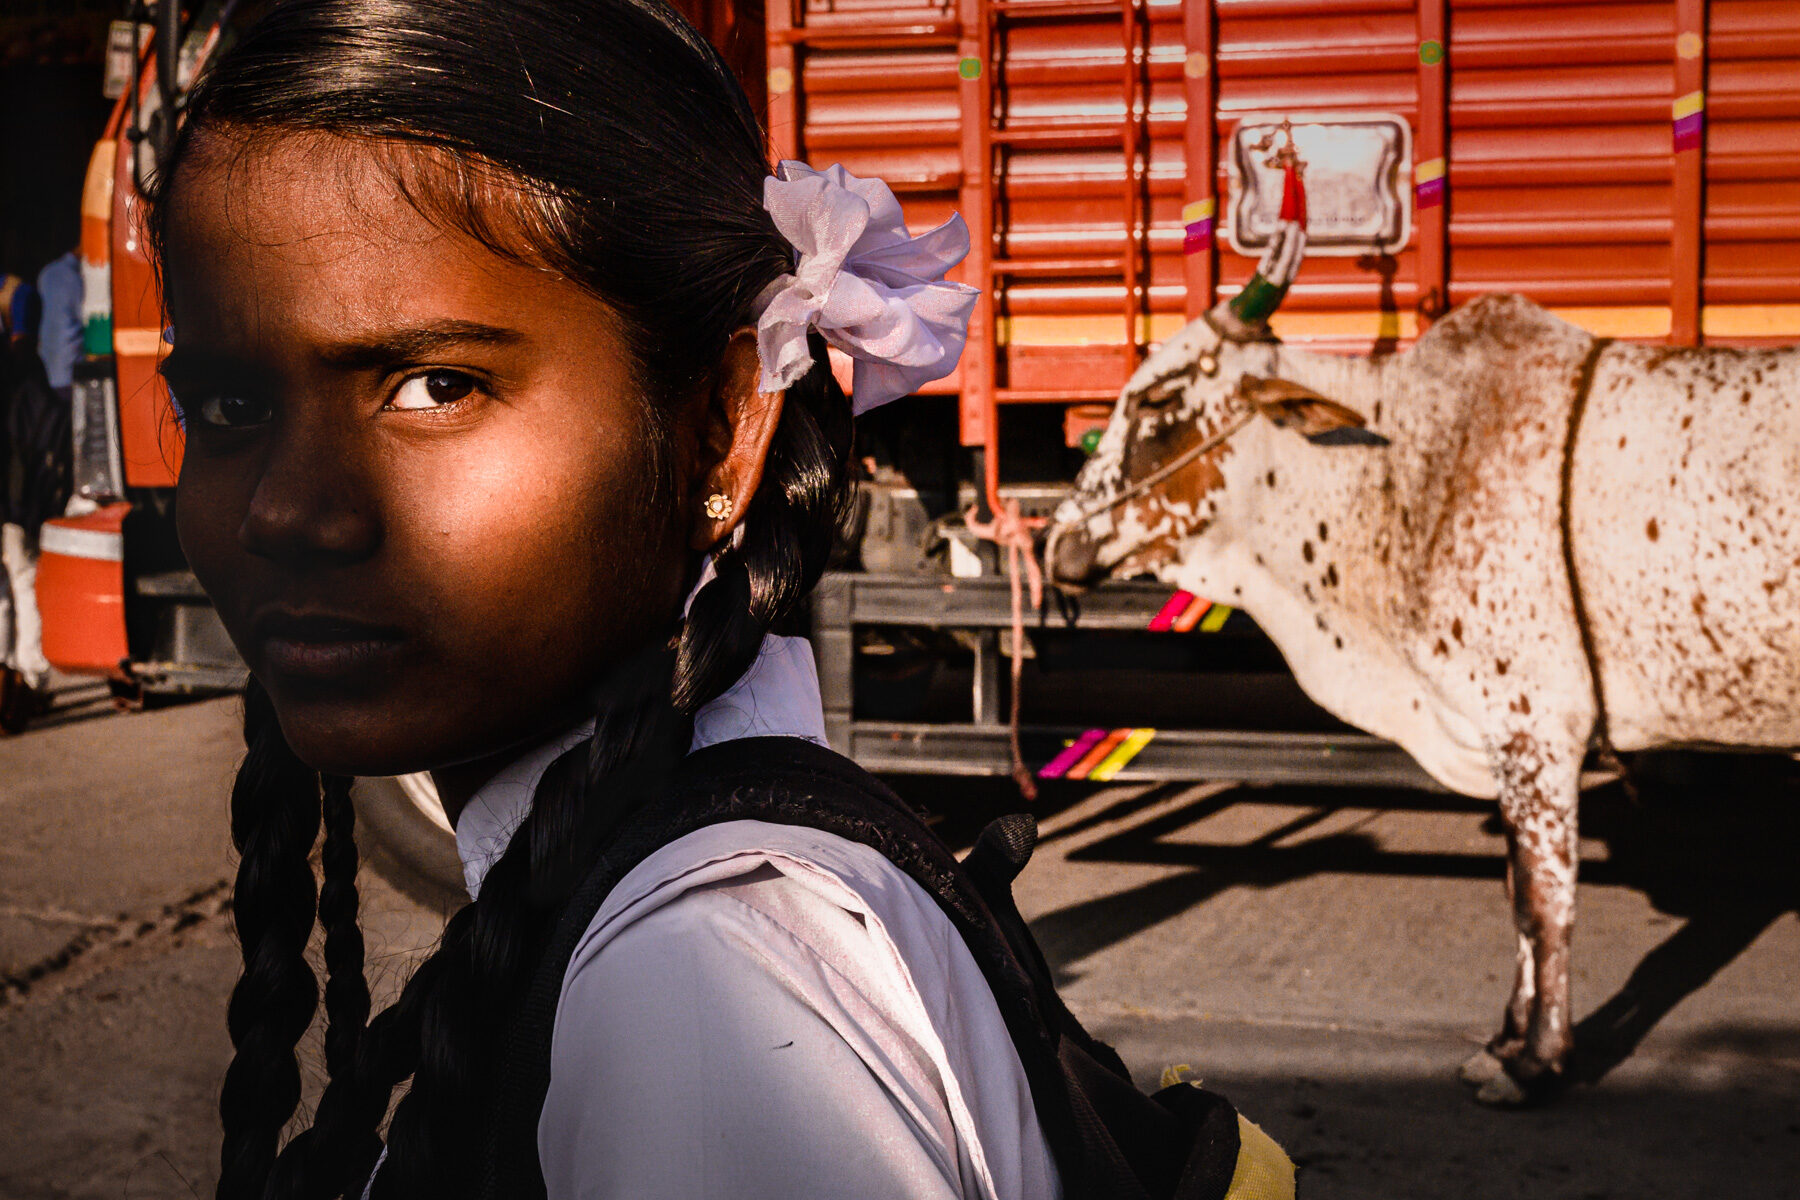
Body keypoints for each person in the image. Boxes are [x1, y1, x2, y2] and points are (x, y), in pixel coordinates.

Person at [151, 3, 1294, 1199]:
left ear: (721, 427)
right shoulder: (661, 914)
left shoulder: (705, 985)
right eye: (230, 407)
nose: (285, 513)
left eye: (436, 385)